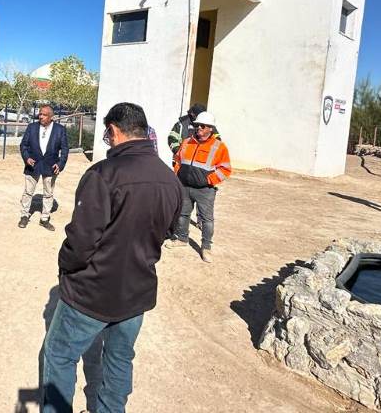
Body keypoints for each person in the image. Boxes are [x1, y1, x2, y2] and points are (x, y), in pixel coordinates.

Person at [42, 103, 182, 413]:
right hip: (137, 291)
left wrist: (66, 267)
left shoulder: (103, 174)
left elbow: (80, 242)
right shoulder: (170, 178)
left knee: (60, 354)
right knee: (120, 358)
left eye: (107, 134)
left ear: (114, 131)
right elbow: (171, 230)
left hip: (92, 291)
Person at [166, 111, 231, 263]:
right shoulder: (187, 142)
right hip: (184, 187)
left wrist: (209, 180)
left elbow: (225, 168)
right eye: (197, 125)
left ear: (211, 128)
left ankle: (206, 248)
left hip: (205, 190)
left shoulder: (219, 147)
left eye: (203, 126)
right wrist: (178, 174)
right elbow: (177, 159)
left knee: (207, 220)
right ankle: (182, 239)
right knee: (183, 214)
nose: (199, 128)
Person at [18, 105, 69, 231]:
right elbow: (23, 145)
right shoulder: (32, 127)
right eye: (40, 114)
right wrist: (26, 158)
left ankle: (44, 219)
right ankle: (24, 215)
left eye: (44, 114)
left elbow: (65, 149)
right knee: (28, 191)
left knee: (48, 193)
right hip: (33, 164)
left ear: (51, 117)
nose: (40, 116)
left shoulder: (60, 130)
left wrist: (60, 164)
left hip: (51, 166)